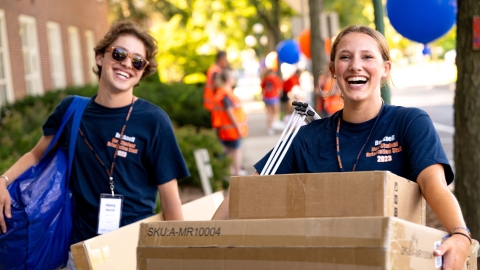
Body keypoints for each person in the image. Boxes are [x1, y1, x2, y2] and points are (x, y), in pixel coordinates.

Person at [212, 25, 470, 269]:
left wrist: (460, 234)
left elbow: (434, 185)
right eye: (345, 57)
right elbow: (246, 192)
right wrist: (203, 242)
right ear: (334, 70)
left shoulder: (410, 123)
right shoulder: (306, 138)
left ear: (385, 68)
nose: (355, 65)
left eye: (367, 56)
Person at [0, 20, 189, 269]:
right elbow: (36, 155)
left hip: (134, 248)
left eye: (137, 61)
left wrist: (179, 255)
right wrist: (3, 181)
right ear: (100, 57)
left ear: (143, 71)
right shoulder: (72, 110)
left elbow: (170, 199)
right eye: (120, 54)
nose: (127, 64)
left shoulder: (154, 121)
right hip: (82, 250)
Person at [211, 68, 248, 176]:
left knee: (228, 154)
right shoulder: (226, 94)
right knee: (235, 152)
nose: (234, 79)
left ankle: (230, 174)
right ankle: (236, 174)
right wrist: (239, 128)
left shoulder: (220, 93)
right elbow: (230, 112)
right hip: (232, 130)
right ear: (227, 79)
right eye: (232, 77)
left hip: (224, 130)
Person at [260, 69, 283, 135]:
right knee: (276, 112)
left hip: (266, 97)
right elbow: (280, 89)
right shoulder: (275, 78)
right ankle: (275, 125)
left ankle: (270, 129)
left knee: (269, 113)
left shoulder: (265, 79)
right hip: (274, 97)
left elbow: (262, 89)